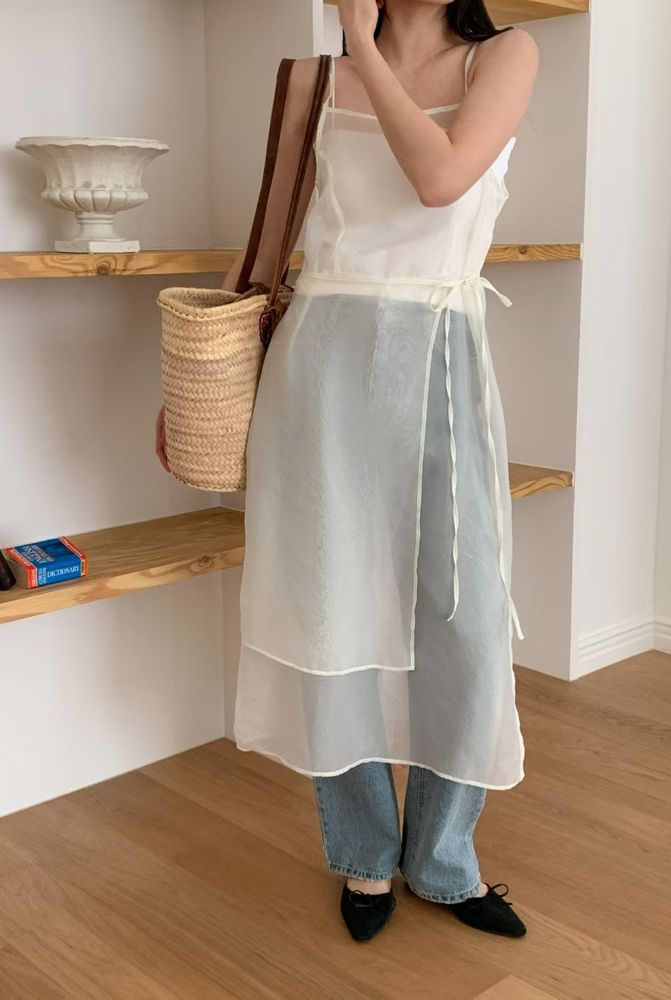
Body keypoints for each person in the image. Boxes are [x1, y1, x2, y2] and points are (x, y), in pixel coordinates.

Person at [156, 0, 539, 944]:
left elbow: (441, 179)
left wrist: (360, 45)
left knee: (466, 623)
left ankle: (441, 862)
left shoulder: (504, 56)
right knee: (331, 616)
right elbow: (264, 249)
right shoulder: (308, 80)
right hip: (319, 369)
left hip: (441, 357)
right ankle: (364, 858)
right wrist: (195, 390)